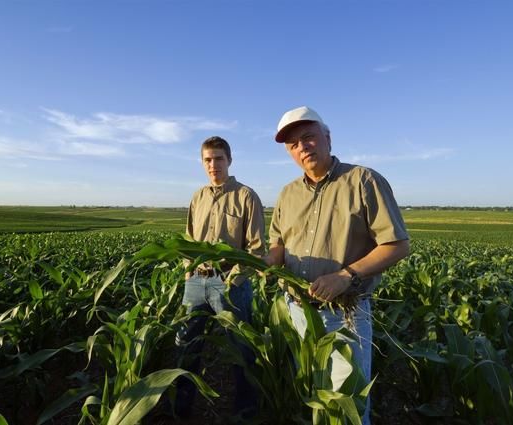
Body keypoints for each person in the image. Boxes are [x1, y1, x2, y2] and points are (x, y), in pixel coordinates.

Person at [264, 106, 410, 424]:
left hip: (344, 314)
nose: (302, 147)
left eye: (308, 137)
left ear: (327, 138)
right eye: (293, 144)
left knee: (348, 406)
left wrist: (346, 275)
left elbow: (398, 245)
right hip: (297, 312)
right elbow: (278, 244)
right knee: (315, 397)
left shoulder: (362, 181)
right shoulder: (287, 194)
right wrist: (268, 260)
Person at [174, 136, 265, 419]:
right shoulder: (197, 197)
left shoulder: (246, 196)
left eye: (219, 158)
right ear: (202, 163)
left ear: (230, 160)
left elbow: (257, 249)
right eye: (208, 160)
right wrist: (189, 271)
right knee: (187, 346)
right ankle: (180, 409)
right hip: (196, 283)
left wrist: (232, 280)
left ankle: (245, 413)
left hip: (230, 284)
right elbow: (189, 241)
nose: (213, 165)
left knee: (242, 352)